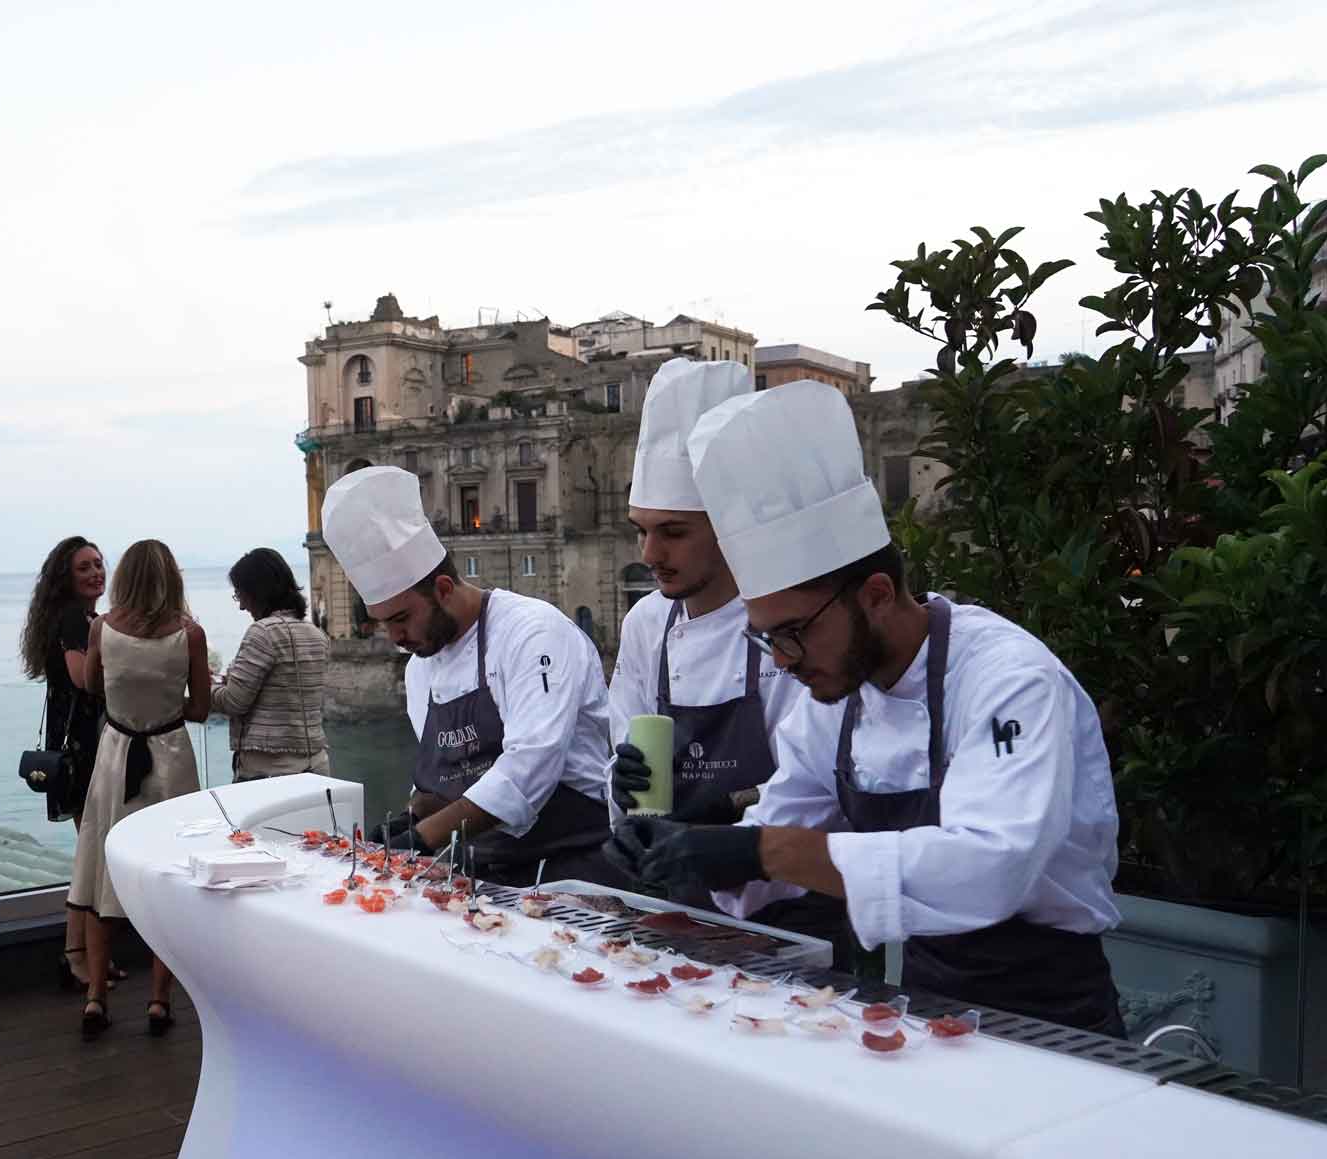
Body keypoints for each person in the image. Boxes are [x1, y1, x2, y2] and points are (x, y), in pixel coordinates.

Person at [605, 383, 1126, 1034]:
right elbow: (776, 828)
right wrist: (684, 842)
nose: (783, 659)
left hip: (1055, 1016)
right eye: (766, 637)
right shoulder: (837, 700)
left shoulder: (1009, 681)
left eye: (793, 631)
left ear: (878, 594)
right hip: (926, 1007)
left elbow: (991, 867)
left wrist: (758, 851)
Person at [606, 359, 844, 951]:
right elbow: (634, 765)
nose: (650, 552)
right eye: (641, 529)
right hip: (668, 904)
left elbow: (816, 786)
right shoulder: (646, 625)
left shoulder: (792, 627)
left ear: (729, 525)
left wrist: (724, 836)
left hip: (790, 919)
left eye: (673, 532)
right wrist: (629, 804)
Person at [321, 466, 615, 887]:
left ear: (443, 588)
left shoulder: (533, 634)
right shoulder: (420, 667)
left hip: (571, 870)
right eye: (384, 623)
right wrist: (407, 820)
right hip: (481, 873)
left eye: (402, 618)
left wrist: (423, 840)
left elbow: (528, 768)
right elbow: (447, 783)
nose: (396, 637)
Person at [68, 539, 209, 1038]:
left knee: (102, 867)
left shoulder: (101, 629)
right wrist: (166, 709)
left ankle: (95, 998)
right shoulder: (189, 636)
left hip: (116, 755)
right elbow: (201, 708)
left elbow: (89, 687)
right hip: (168, 757)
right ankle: (158, 1000)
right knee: (168, 873)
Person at [19, 535, 126, 994]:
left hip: (88, 744)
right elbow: (86, 680)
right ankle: (77, 957)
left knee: (95, 853)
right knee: (91, 856)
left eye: (99, 564)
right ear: (67, 576)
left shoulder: (85, 619)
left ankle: (91, 956)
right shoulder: (73, 620)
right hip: (81, 749)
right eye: (84, 567)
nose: (95, 573)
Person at [213, 548, 330, 780]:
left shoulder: (262, 632)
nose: (241, 606)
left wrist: (205, 688)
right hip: (315, 766)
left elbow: (234, 702)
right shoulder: (316, 634)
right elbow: (287, 692)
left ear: (257, 592)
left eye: (240, 594)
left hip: (268, 772)